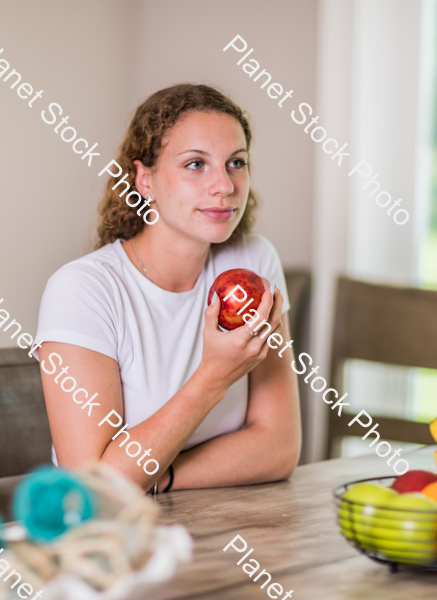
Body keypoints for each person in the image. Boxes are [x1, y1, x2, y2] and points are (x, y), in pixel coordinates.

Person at [34, 83, 301, 493]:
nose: (226, 186)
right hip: (109, 544)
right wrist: (213, 377)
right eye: (196, 164)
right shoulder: (83, 290)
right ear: (145, 179)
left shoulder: (252, 262)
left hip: (219, 525)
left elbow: (280, 447)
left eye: (236, 162)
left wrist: (162, 476)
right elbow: (92, 488)